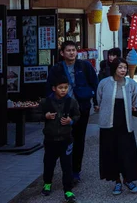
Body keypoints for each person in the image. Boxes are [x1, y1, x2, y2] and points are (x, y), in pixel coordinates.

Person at [46, 41, 98, 184]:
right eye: (68, 50)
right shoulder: (56, 69)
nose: (71, 53)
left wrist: (96, 102)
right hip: (61, 109)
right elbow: (48, 88)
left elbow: (95, 83)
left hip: (81, 108)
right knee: (62, 139)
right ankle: (64, 170)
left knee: (79, 139)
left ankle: (75, 171)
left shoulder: (85, 66)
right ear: (62, 53)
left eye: (73, 50)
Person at [96, 58, 137, 195]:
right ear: (114, 68)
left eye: (125, 68)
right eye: (120, 67)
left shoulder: (131, 83)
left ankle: (128, 179)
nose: (123, 70)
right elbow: (99, 99)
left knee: (127, 152)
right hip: (108, 123)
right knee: (111, 152)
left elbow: (135, 99)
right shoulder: (104, 83)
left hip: (125, 123)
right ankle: (116, 181)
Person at [40, 76, 80, 202]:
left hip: (66, 139)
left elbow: (77, 114)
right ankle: (47, 183)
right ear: (54, 88)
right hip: (50, 139)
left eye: (66, 88)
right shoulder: (46, 102)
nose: (63, 90)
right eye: (60, 88)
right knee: (48, 163)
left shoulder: (71, 101)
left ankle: (68, 190)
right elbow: (36, 114)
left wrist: (71, 120)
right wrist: (45, 116)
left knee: (67, 166)